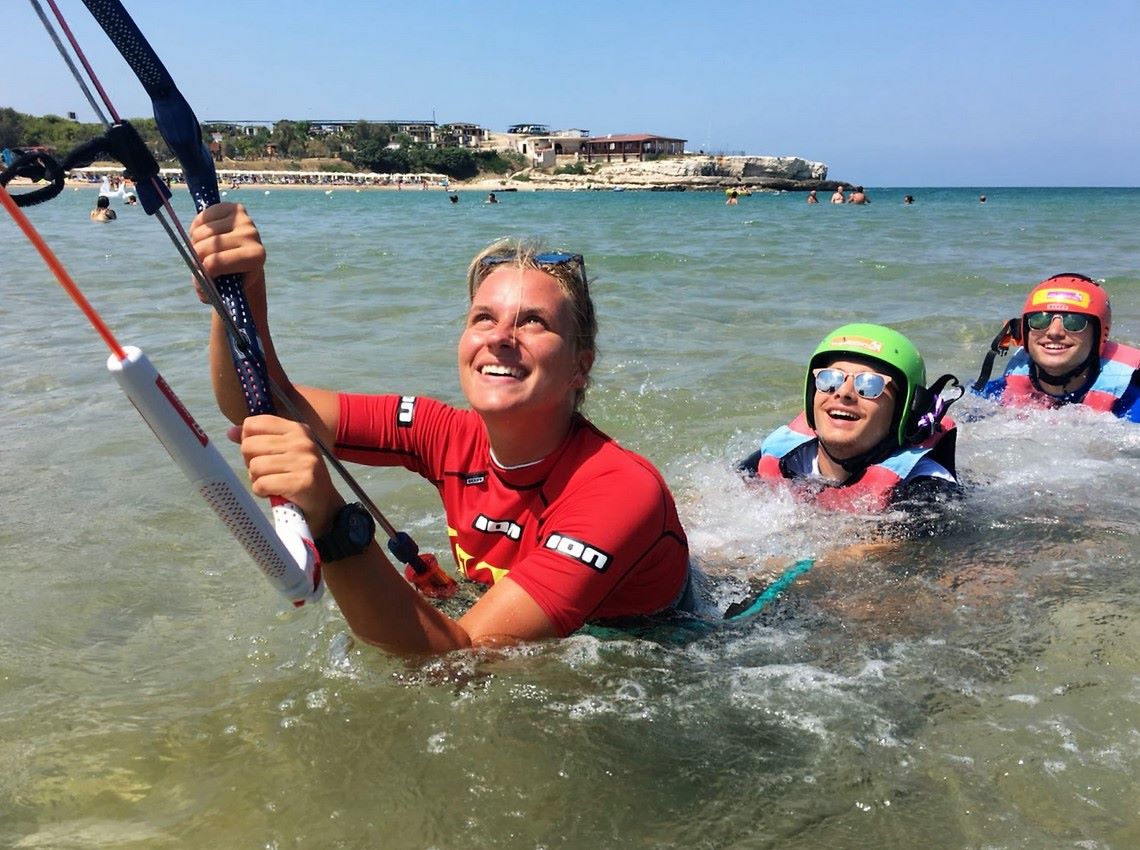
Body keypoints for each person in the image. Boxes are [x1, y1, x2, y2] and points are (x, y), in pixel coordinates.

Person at [189, 204, 692, 655]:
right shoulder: (443, 432)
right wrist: (240, 294)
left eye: (533, 322)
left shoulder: (619, 492)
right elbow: (262, 406)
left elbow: (455, 662)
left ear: (581, 367)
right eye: (483, 318)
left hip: (660, 647)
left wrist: (331, 519)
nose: (499, 337)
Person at [739, 323, 962, 512]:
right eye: (830, 379)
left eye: (870, 384)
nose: (843, 392)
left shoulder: (928, 491)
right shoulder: (779, 458)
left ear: (905, 410)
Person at [971, 273, 1140, 420]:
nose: (1054, 332)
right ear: (1024, 332)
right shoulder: (990, 396)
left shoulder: (1131, 405)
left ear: (1099, 335)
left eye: (1074, 322)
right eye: (1039, 320)